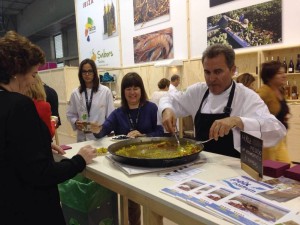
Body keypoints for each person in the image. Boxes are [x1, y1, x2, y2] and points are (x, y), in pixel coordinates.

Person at [0, 31, 97, 225]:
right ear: (16, 70)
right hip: (30, 209)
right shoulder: (19, 105)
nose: (32, 83)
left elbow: (12, 150)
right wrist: (79, 161)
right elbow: (42, 174)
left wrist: (40, 145)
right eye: (34, 74)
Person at [159, 44, 286, 158]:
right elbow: (169, 97)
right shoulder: (198, 92)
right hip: (200, 165)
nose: (211, 78)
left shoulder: (246, 96)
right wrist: (166, 109)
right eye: (207, 72)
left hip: (234, 170)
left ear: (232, 70)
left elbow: (276, 130)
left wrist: (238, 121)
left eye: (218, 71)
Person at [92, 72, 164, 225]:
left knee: (155, 200)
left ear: (141, 90)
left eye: (135, 88)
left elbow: (161, 132)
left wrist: (144, 135)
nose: (132, 92)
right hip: (128, 164)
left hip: (152, 161)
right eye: (128, 89)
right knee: (132, 201)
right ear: (123, 92)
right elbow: (102, 131)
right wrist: (94, 128)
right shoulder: (118, 113)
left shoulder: (151, 108)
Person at [66, 58, 115, 142]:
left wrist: (110, 135)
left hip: (100, 138)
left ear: (94, 73)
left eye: (90, 71)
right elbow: (70, 114)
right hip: (82, 137)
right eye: (84, 72)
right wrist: (76, 122)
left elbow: (111, 116)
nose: (87, 74)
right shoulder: (75, 93)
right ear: (80, 74)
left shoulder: (105, 91)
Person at [257, 61, 291, 163]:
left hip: (279, 138)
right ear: (269, 76)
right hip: (268, 142)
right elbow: (252, 112)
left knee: (282, 168)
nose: (284, 76)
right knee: (277, 169)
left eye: (284, 72)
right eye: (280, 73)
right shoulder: (264, 92)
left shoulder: (279, 90)